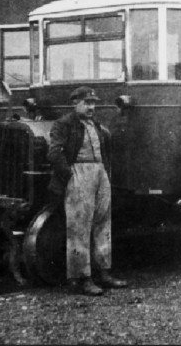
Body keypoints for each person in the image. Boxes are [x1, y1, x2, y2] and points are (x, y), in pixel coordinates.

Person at [47, 86, 128, 296]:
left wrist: (105, 172)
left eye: (94, 103)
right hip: (79, 173)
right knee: (79, 227)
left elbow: (106, 151)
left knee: (103, 223)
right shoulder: (63, 124)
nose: (91, 107)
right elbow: (54, 153)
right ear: (75, 103)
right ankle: (81, 278)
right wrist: (70, 175)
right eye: (87, 103)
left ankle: (104, 273)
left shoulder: (97, 125)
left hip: (100, 173)